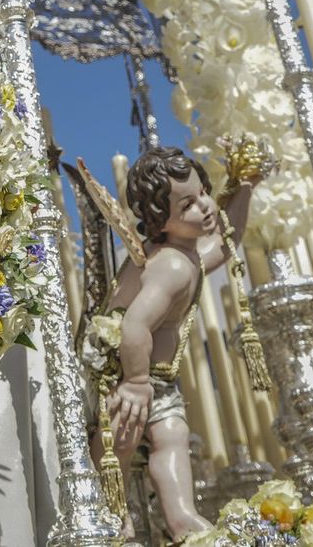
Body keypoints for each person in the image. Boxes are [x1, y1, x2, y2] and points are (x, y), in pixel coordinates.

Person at [97, 146, 232, 543]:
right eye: (187, 205)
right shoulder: (171, 264)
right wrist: (136, 382)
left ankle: (181, 518)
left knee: (171, 436)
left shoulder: (185, 256)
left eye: (203, 192)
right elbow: (135, 324)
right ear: (159, 219)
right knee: (117, 446)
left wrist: (243, 188)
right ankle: (111, 518)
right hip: (126, 379)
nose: (204, 206)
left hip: (159, 382)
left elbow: (225, 245)